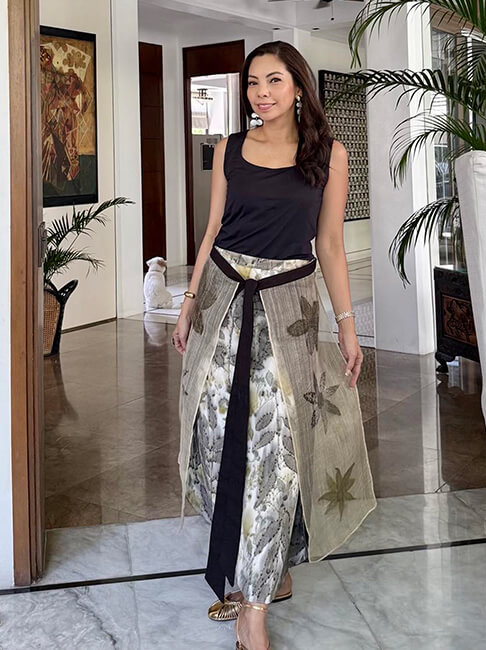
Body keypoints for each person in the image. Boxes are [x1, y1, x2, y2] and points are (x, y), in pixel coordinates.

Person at [171, 40, 376, 650]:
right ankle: (259, 566)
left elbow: (330, 245)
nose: (262, 92)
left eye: (275, 80)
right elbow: (212, 229)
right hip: (220, 306)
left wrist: (346, 323)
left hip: (289, 313)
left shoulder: (328, 155)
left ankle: (253, 610)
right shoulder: (228, 149)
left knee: (279, 454)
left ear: (298, 86)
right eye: (254, 82)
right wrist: (187, 300)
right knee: (216, 444)